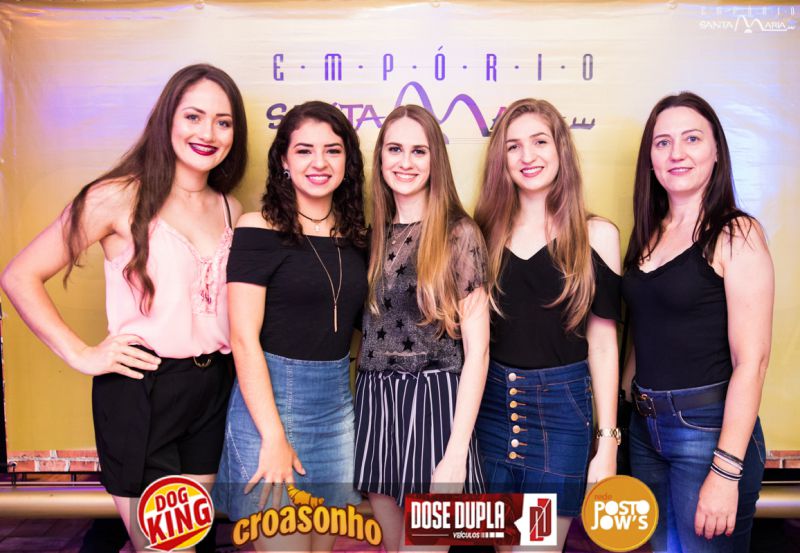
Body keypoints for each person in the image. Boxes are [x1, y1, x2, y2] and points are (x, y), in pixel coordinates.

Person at [0, 63, 248, 551]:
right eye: (193, 116)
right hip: (143, 390)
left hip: (211, 389)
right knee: (165, 546)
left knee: (193, 543)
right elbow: (19, 275)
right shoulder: (115, 197)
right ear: (167, 119)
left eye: (223, 122)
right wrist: (81, 353)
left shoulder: (230, 208)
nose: (208, 133)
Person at [211, 101, 368, 552]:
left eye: (332, 150)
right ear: (283, 159)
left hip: (337, 414)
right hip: (270, 410)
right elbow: (243, 338)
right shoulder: (257, 228)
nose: (319, 163)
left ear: (348, 161)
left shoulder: (358, 237)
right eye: (304, 150)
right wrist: (274, 436)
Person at [621, 92, 773, 553]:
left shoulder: (736, 233)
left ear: (716, 151)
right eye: (663, 142)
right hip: (645, 432)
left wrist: (726, 471)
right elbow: (645, 330)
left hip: (707, 433)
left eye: (691, 139)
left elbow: (752, 362)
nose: (677, 153)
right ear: (650, 159)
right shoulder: (648, 233)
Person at [473, 98, 621, 550]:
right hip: (490, 412)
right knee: (505, 545)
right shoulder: (481, 234)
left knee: (535, 547)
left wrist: (607, 442)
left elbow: (603, 345)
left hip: (559, 418)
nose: (527, 156)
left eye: (539, 142)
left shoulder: (597, 235)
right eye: (513, 146)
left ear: (560, 150)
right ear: (501, 159)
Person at [354, 104, 490, 553]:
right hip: (376, 402)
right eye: (395, 149)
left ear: (436, 160)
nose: (405, 162)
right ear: (380, 157)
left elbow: (478, 353)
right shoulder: (373, 235)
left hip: (435, 404)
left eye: (419, 151)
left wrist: (456, 453)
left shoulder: (459, 234)